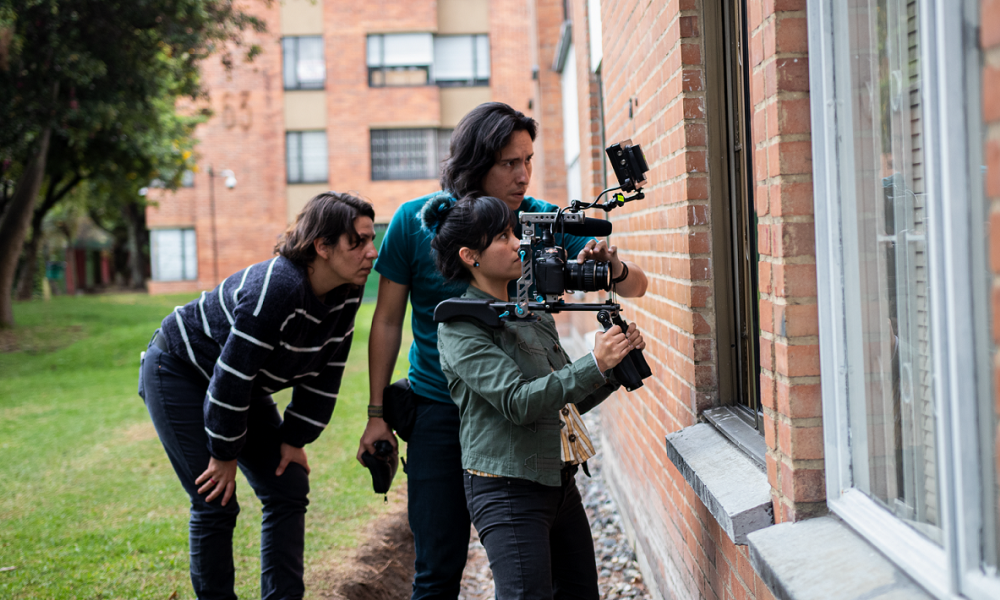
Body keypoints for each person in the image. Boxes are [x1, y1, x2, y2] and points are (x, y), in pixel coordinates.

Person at [356, 101, 648, 600]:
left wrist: (612, 270)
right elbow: (385, 321)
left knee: (564, 576)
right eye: (509, 163)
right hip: (439, 410)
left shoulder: (538, 221)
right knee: (437, 565)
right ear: (475, 163)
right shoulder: (413, 222)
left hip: (529, 411)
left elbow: (635, 285)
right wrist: (377, 413)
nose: (524, 175)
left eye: (529, 160)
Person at [138, 192, 378, 600]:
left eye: (372, 239)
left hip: (237, 384)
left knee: (288, 487)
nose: (371, 252)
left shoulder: (346, 292)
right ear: (322, 246)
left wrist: (293, 438)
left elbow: (327, 368)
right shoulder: (278, 287)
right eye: (359, 241)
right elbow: (234, 374)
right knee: (214, 499)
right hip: (178, 368)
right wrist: (224, 452)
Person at [426, 194, 645, 600]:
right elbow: (518, 402)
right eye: (502, 238)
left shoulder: (530, 309)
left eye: (514, 233)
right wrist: (593, 364)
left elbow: (562, 400)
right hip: (506, 489)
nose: (517, 244)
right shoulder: (459, 325)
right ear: (470, 255)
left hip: (558, 479)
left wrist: (613, 366)